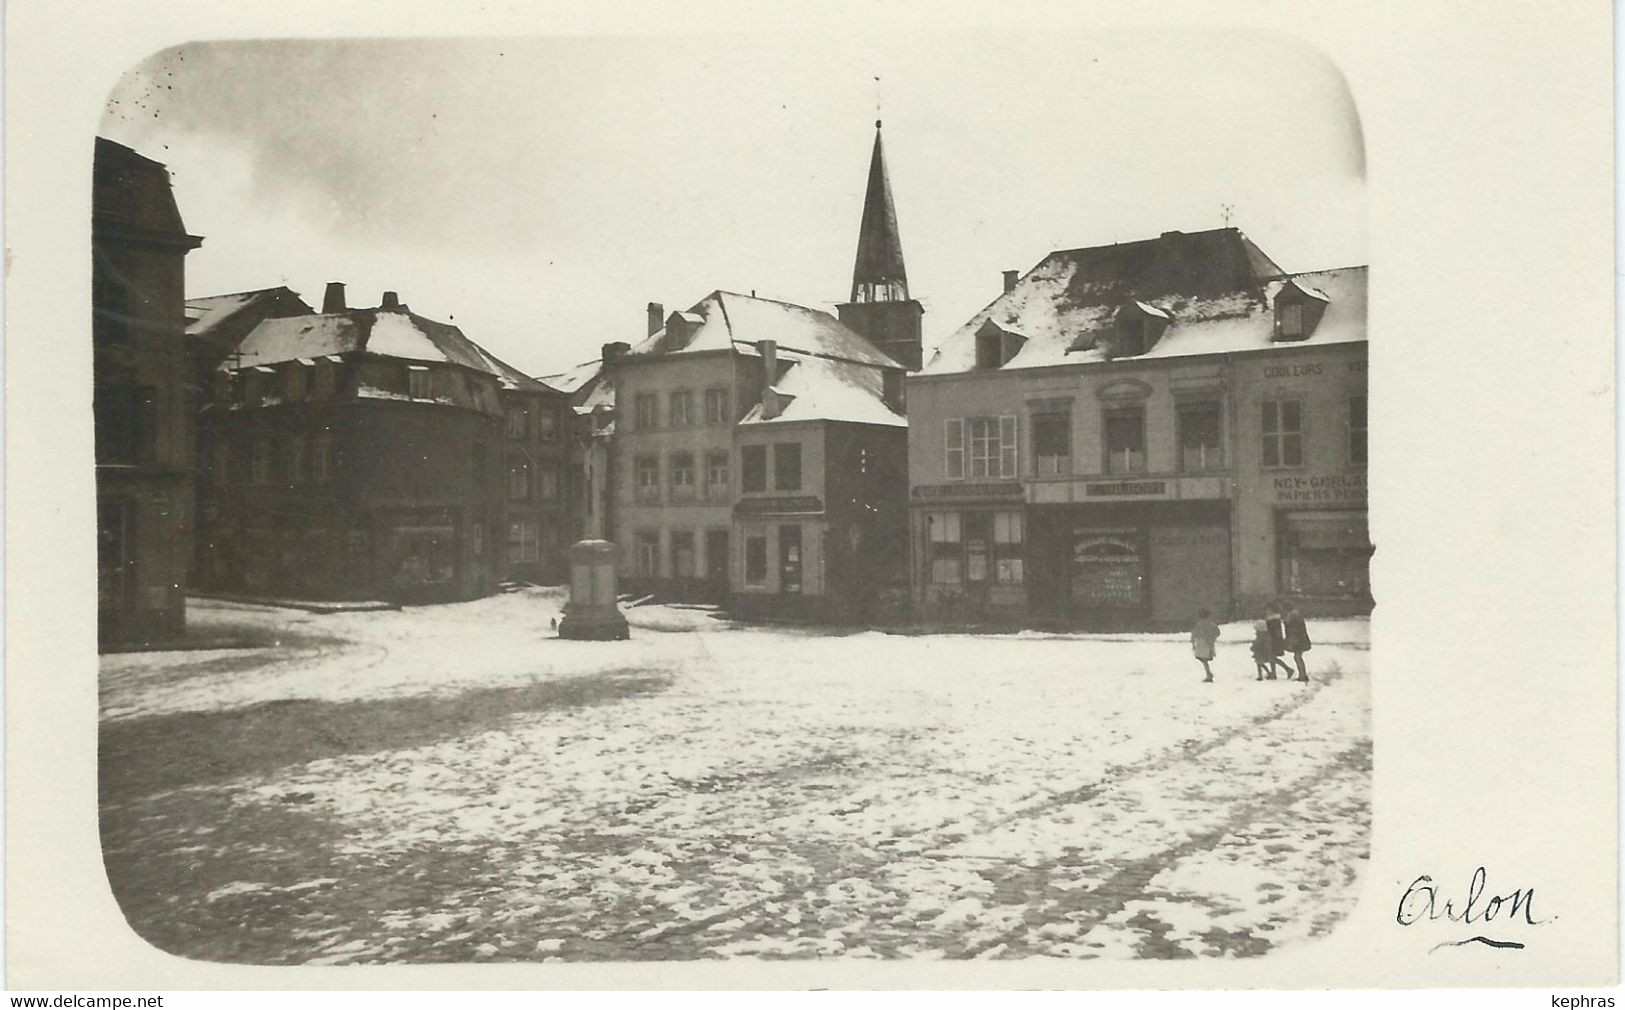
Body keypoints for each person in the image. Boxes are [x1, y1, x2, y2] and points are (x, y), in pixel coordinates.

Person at [1284, 602, 1312, 683]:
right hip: (1300, 639)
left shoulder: (1292, 616)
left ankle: (1302, 675)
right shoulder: (1297, 615)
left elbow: (1291, 628)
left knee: (1297, 657)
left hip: (1297, 640)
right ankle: (1302, 675)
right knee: (1298, 657)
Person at [1191, 609, 1221, 683]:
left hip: (1201, 643)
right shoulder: (1212, 624)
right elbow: (1218, 633)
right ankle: (1209, 673)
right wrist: (1212, 637)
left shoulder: (1199, 624)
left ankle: (1208, 674)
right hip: (1210, 643)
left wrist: (1193, 643)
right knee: (1205, 659)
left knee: (1203, 659)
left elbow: (1194, 634)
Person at [1264, 603, 1293, 680]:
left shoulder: (1273, 620)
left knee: (1271, 657)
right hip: (1274, 639)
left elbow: (1274, 631)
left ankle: (1285, 670)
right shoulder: (1273, 619)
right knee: (1272, 657)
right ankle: (1278, 672)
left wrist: (1271, 638)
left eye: (1268, 610)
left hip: (1274, 640)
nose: (1267, 611)